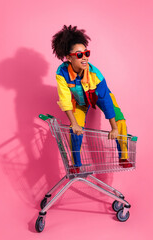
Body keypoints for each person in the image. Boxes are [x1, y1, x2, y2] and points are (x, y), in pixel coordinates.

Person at [51, 25, 132, 173]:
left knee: (120, 121)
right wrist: (74, 124)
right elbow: (65, 99)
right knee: (75, 130)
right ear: (68, 57)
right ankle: (76, 165)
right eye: (79, 54)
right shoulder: (61, 73)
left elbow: (106, 101)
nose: (85, 57)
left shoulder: (96, 75)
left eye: (87, 53)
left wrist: (113, 128)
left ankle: (123, 157)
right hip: (79, 101)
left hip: (99, 97)